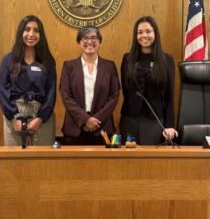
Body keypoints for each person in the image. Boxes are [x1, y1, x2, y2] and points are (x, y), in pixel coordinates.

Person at [0, 15, 56, 146]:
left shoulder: (47, 60)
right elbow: (3, 92)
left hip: (42, 116)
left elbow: (51, 92)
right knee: (14, 160)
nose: (31, 34)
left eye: (36, 30)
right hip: (14, 114)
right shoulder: (8, 59)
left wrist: (40, 118)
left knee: (43, 161)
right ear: (20, 33)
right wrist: (14, 119)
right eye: (27, 29)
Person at [119, 16, 178, 145]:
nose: (144, 35)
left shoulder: (166, 60)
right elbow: (125, 90)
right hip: (130, 119)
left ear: (155, 33)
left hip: (155, 120)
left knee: (151, 163)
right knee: (127, 163)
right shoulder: (127, 59)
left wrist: (169, 125)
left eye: (148, 31)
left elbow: (169, 96)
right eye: (139, 32)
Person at [60, 26, 120, 145]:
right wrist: (85, 119)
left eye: (94, 38)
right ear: (79, 42)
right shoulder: (69, 66)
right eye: (85, 38)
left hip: (102, 127)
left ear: (99, 42)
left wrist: (96, 120)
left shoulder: (109, 66)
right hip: (75, 127)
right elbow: (66, 95)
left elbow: (114, 95)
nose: (89, 42)